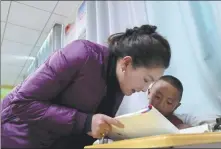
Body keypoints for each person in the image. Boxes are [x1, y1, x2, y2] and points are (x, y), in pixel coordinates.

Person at [1, 24, 171, 149]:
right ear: (126, 63)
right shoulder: (82, 54)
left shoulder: (119, 86)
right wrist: (86, 122)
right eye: (146, 79)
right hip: (16, 138)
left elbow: (85, 131)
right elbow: (22, 103)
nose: (144, 88)